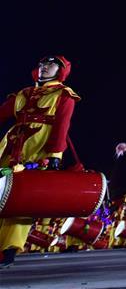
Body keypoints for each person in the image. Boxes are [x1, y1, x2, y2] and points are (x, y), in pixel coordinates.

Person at [0, 56, 79, 269]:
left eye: (51, 65)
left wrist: (55, 157)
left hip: (37, 150)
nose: (44, 68)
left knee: (21, 202)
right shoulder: (23, 93)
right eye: (42, 65)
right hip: (11, 147)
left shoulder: (64, 95)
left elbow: (62, 127)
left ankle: (7, 251)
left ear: (61, 71)